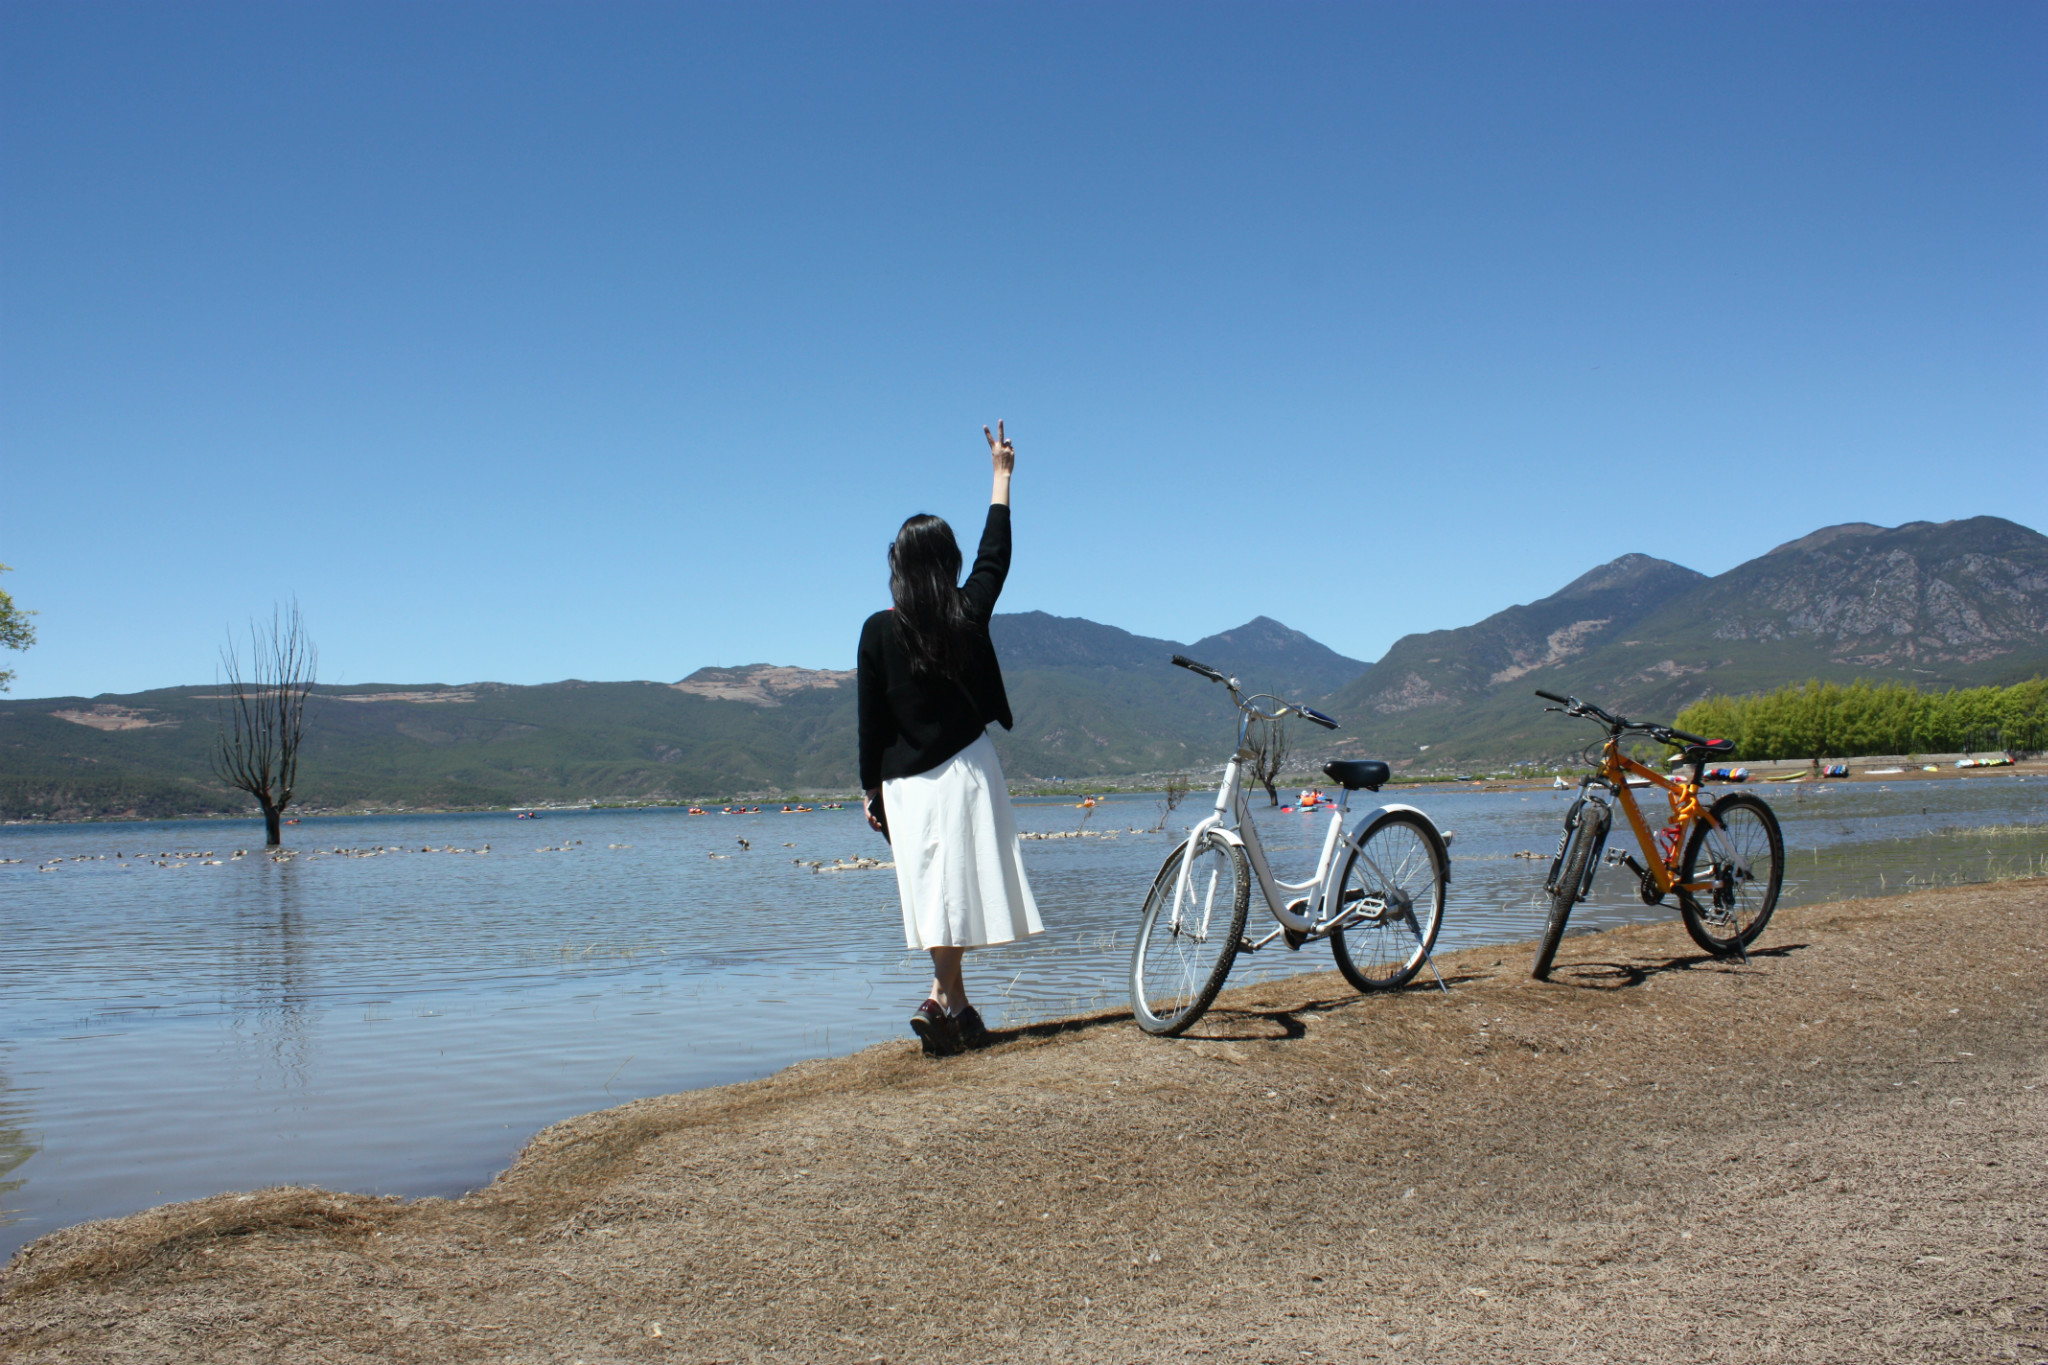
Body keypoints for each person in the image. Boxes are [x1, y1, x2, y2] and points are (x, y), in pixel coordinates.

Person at [857, 421, 1043, 1055]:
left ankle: (959, 1011)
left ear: (899, 567)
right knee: (954, 889)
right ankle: (942, 998)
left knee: (937, 893)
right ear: (947, 563)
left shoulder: (876, 630)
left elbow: (870, 720)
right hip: (965, 771)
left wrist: (869, 789)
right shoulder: (965, 615)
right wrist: (1001, 476)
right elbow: (998, 556)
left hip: (904, 785)